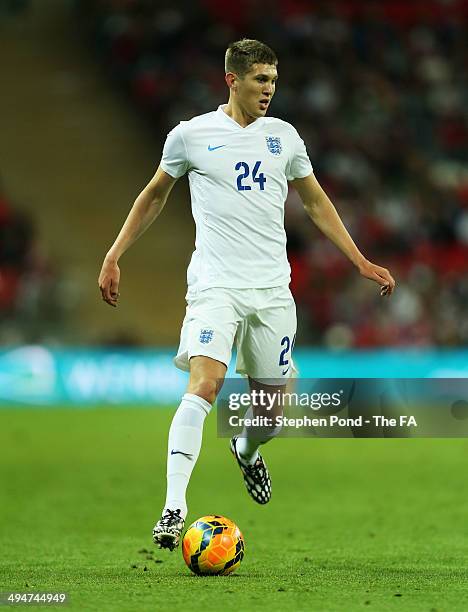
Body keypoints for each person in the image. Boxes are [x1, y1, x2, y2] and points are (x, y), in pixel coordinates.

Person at [98, 39, 395, 551]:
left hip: (273, 290)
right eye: (261, 80)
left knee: (270, 413)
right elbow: (154, 195)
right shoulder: (191, 136)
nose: (269, 90)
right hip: (215, 285)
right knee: (206, 383)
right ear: (232, 80)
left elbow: (317, 202)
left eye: (274, 82)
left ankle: (248, 450)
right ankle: (174, 507)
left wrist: (360, 260)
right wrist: (114, 253)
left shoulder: (285, 138)